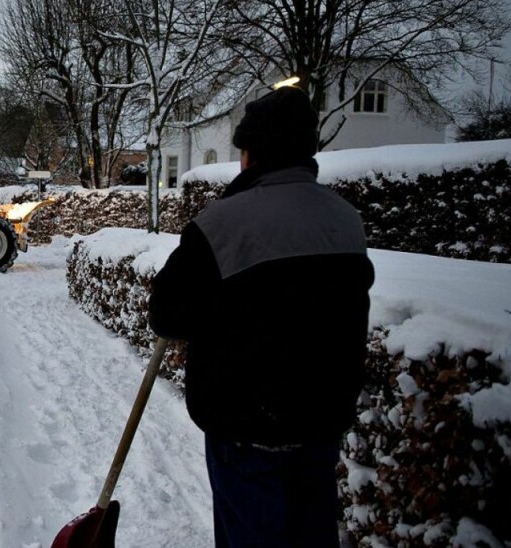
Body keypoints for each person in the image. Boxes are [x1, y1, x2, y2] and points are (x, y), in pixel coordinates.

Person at [148, 86, 375, 547]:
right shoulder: (345, 219)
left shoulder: (220, 224)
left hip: (246, 432)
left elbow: (167, 313)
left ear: (251, 153)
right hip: (320, 424)